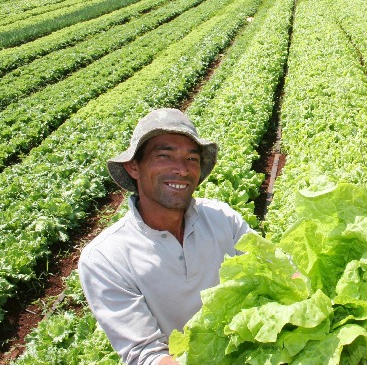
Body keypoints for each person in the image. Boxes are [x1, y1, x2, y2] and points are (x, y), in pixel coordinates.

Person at [78, 108, 253, 365]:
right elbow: (147, 354)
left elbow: (276, 269)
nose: (181, 170)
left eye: (192, 159)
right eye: (164, 155)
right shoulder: (105, 257)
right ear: (133, 167)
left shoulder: (223, 218)